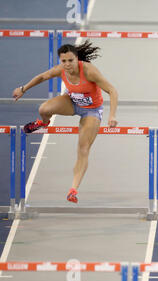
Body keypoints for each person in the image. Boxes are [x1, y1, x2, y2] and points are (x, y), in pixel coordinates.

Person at [12, 40, 119, 204]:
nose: (67, 65)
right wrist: (23, 89)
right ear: (60, 61)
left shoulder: (89, 71)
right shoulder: (61, 70)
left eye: (71, 61)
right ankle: (44, 123)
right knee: (43, 109)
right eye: (64, 61)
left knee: (83, 148)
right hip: (72, 103)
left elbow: (112, 90)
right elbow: (42, 76)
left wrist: (112, 116)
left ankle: (73, 189)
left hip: (91, 111)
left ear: (77, 59)